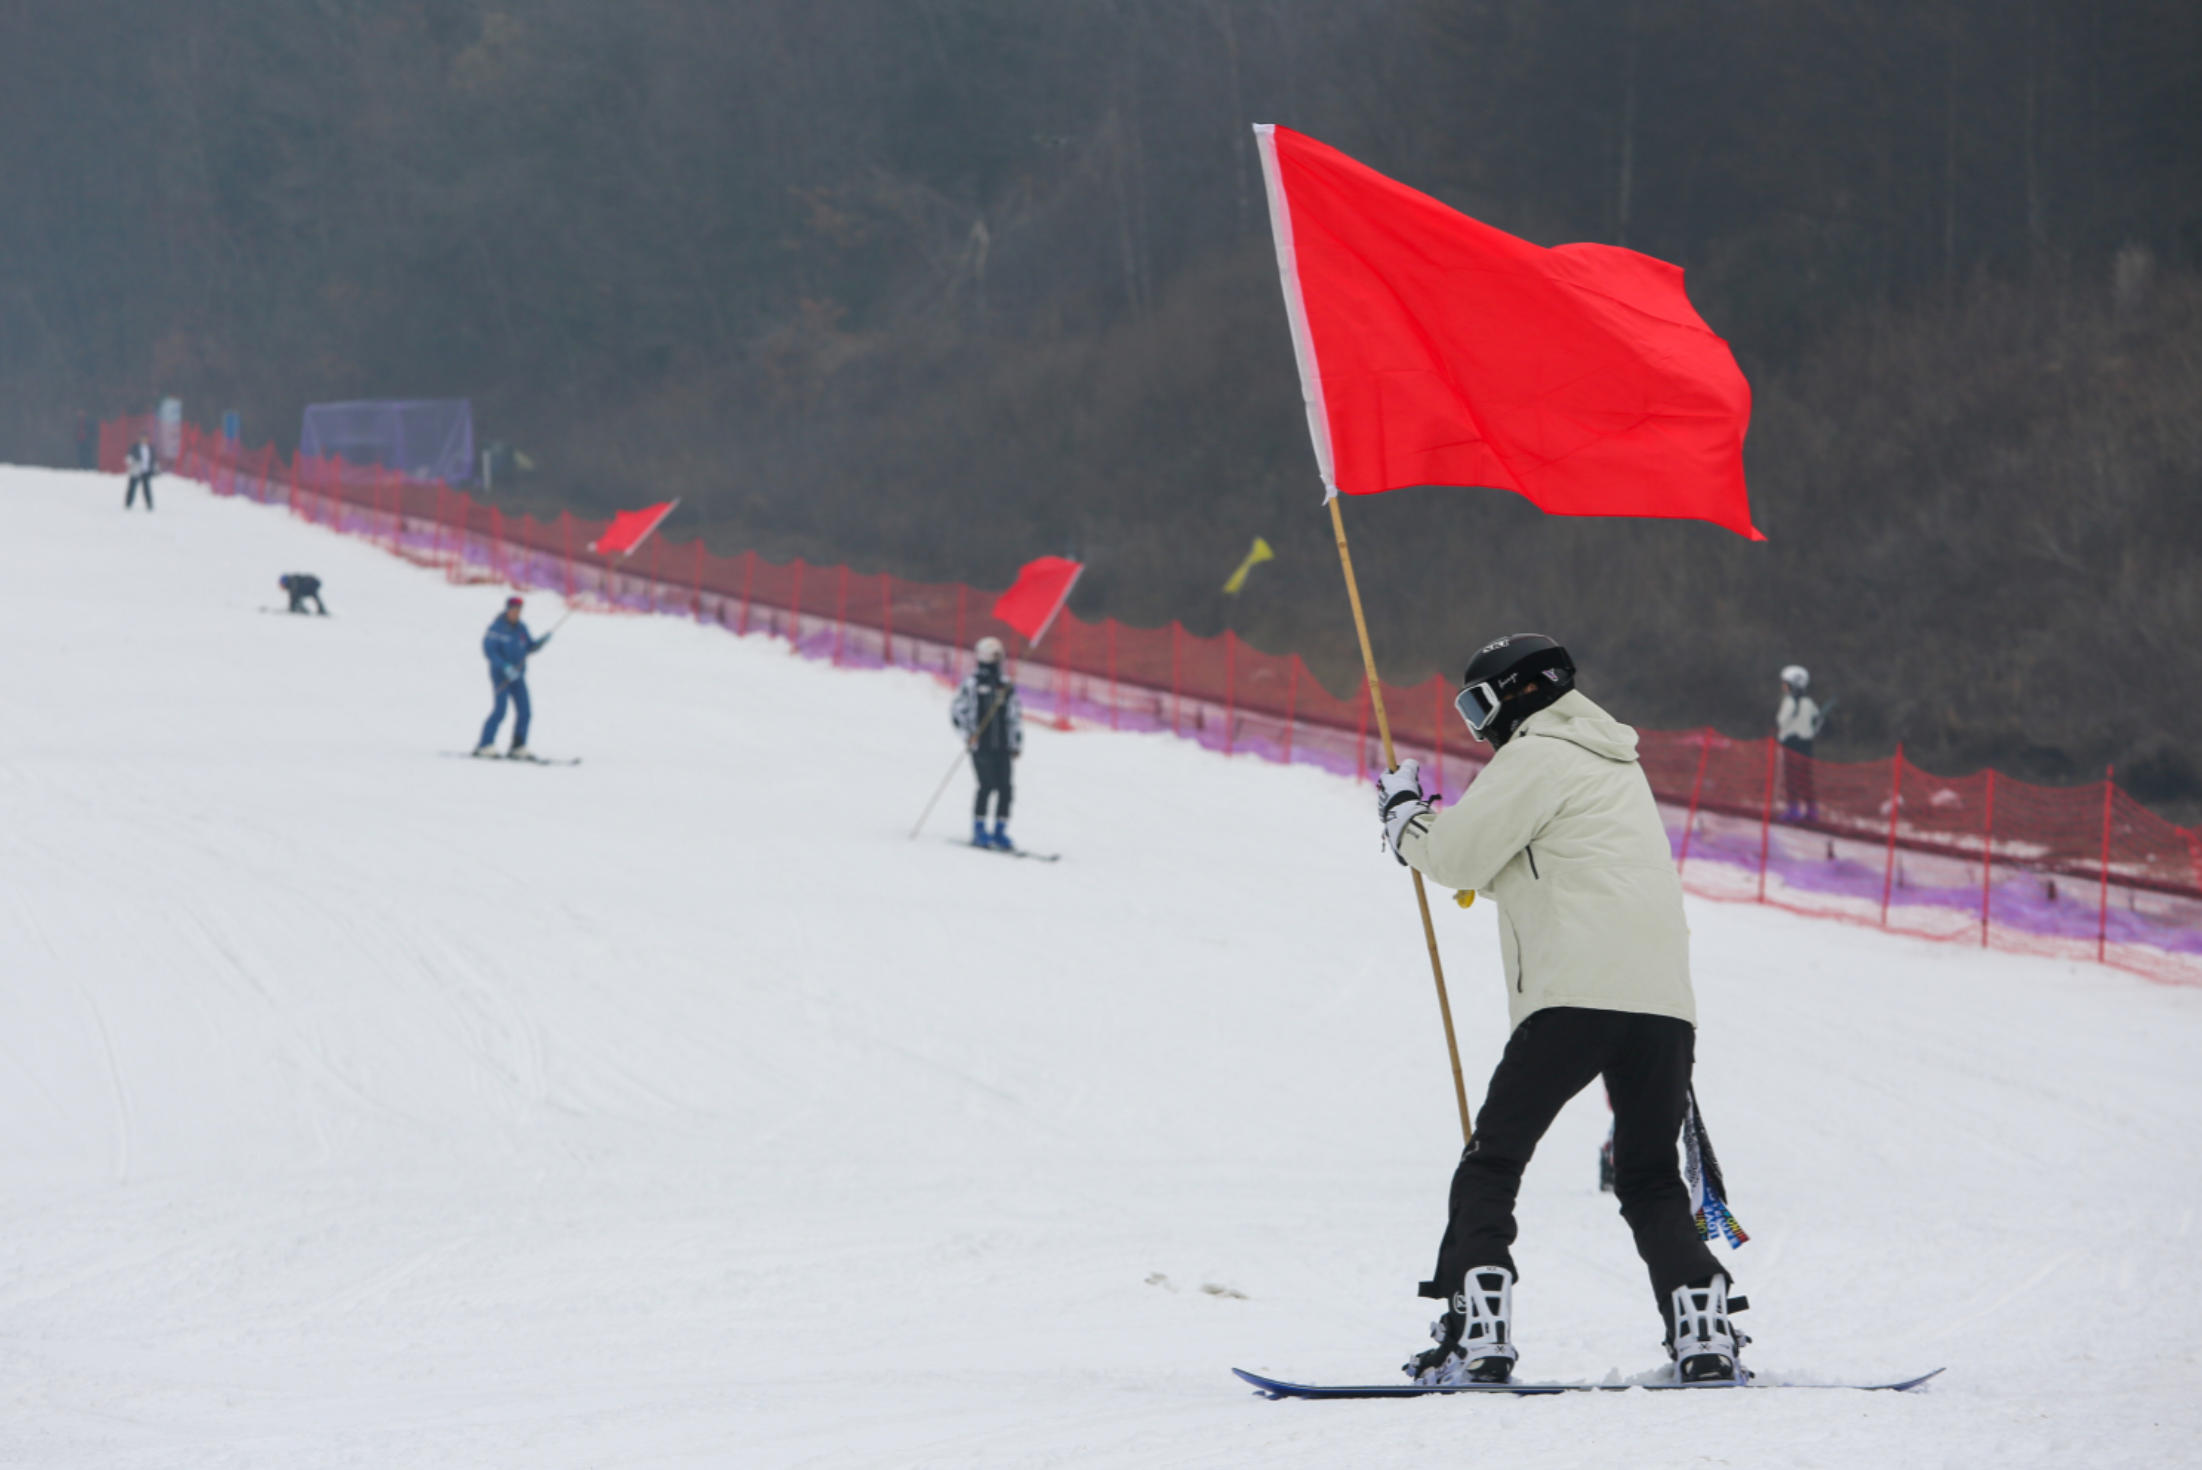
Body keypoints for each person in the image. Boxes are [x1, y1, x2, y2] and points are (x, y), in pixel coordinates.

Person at [1374, 634, 1750, 1386]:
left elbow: (1457, 857)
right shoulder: (1618, 765)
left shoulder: (1538, 756)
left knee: (1491, 1166)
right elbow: (1512, 859)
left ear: (1517, 694)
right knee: (1648, 1178)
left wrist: (1405, 818)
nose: (1478, 729)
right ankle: (1701, 1328)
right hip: (1663, 1009)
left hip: (1573, 1001)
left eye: (1478, 706)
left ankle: (1477, 1334)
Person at [950, 636, 1023, 849]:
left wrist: (1016, 743)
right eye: (994, 657)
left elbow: (1015, 715)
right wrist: (968, 734)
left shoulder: (1005, 685)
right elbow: (957, 711)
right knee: (986, 786)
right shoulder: (973, 684)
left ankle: (1000, 830)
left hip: (1002, 746)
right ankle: (979, 829)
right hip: (981, 746)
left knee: (1006, 788)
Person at [474, 596, 551, 758]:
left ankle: (518, 746)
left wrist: (540, 643)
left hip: (518, 676)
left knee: (525, 711)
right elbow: (489, 651)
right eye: (514, 610)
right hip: (501, 675)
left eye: (519, 611)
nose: (516, 613)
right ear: (508, 610)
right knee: (500, 710)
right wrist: (504, 666)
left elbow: (528, 646)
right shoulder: (497, 628)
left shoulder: (521, 628)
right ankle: (485, 744)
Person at [1777, 665, 1826, 822]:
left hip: (1791, 744)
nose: (1783, 686)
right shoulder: (1809, 703)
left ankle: (1793, 810)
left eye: (1785, 683)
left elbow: (1780, 721)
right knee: (1805, 778)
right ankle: (1812, 811)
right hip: (1806, 745)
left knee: (1791, 778)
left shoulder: (1789, 701)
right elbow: (1818, 723)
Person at [124, 437, 156, 511]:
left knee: (146, 489)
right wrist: (130, 460)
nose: (144, 440)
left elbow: (153, 458)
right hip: (136, 469)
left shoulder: (150, 448)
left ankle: (149, 504)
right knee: (132, 487)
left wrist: (153, 467)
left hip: (146, 470)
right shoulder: (135, 447)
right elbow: (129, 455)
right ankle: (128, 503)